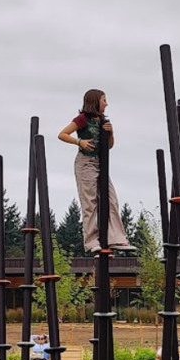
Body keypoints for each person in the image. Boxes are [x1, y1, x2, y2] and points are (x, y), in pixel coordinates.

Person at [58, 89, 135, 254]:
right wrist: (80, 142)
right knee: (90, 203)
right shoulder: (82, 119)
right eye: (104, 100)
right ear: (95, 102)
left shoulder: (103, 121)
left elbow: (109, 146)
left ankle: (116, 239)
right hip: (85, 163)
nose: (106, 104)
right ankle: (92, 242)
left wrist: (111, 133)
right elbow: (62, 134)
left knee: (111, 200)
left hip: (101, 163)